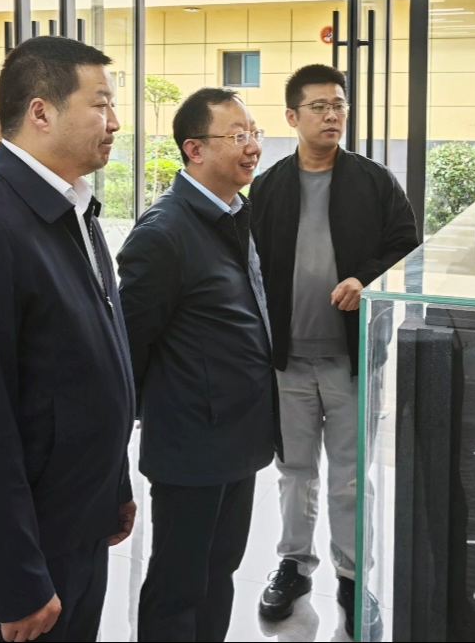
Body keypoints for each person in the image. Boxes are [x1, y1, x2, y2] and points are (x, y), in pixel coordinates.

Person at [0, 36, 136, 643]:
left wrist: (113, 486)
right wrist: (18, 577)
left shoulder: (72, 207)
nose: (115, 122)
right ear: (41, 112)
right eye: (101, 104)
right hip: (19, 548)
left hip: (76, 520)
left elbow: (92, 366)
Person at [249, 64, 418, 636]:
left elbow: (406, 247)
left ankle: (351, 574)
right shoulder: (269, 186)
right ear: (292, 116)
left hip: (352, 358)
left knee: (350, 476)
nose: (332, 115)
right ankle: (294, 566)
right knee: (294, 472)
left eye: (339, 105)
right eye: (319, 106)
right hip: (288, 360)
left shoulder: (374, 182)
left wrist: (366, 279)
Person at [118, 87, 278, 642]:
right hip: (192, 445)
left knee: (219, 574)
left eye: (254, 133)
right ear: (195, 149)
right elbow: (129, 347)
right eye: (238, 135)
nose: (253, 146)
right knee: (179, 585)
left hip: (237, 437)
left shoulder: (233, 213)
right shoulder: (163, 232)